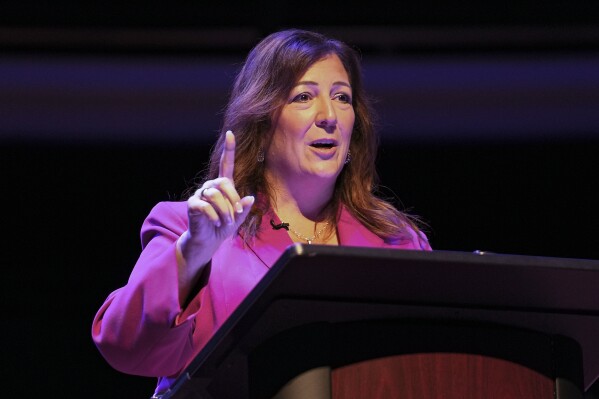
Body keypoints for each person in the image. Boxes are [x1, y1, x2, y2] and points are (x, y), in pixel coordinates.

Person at [91, 28, 431, 397]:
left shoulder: (396, 240)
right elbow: (124, 347)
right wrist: (194, 251)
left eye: (342, 98)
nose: (329, 115)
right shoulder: (190, 228)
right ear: (262, 122)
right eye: (303, 96)